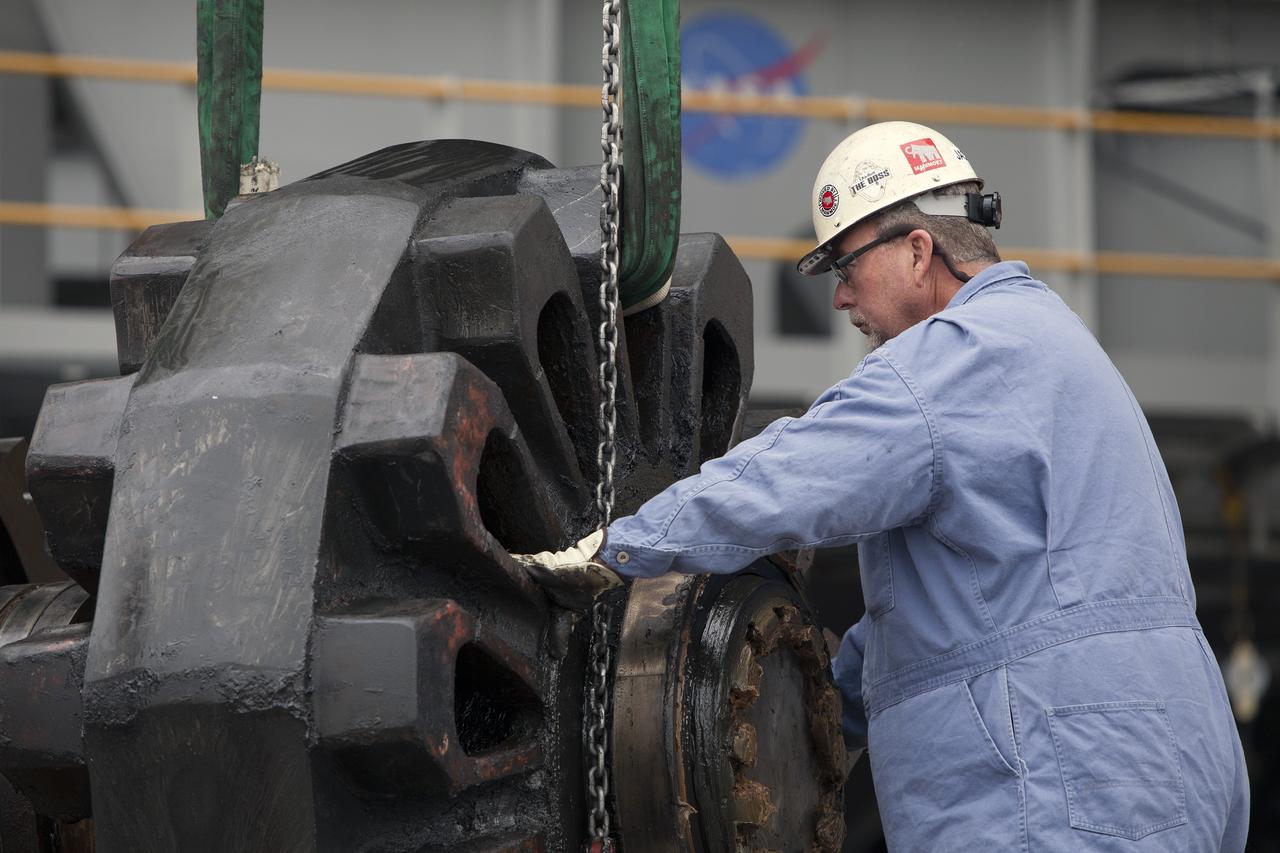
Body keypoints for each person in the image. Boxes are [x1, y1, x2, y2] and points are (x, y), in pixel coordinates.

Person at [516, 120, 1249, 851]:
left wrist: (621, 545)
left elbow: (799, 474)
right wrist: (822, 699)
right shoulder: (1052, 340)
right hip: (1169, 751)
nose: (841, 301)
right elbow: (978, 608)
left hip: (1059, 773)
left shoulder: (952, 360)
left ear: (918, 250)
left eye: (844, 269)